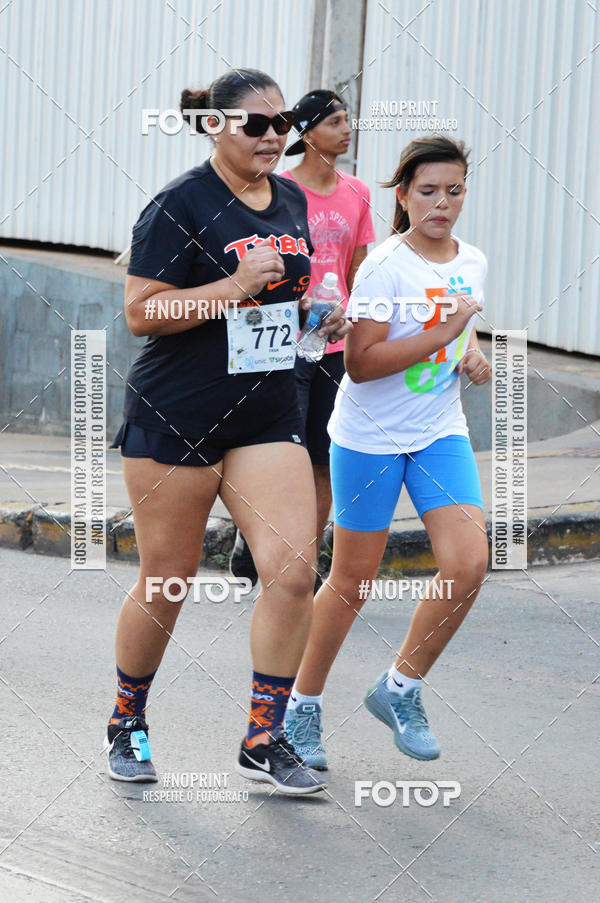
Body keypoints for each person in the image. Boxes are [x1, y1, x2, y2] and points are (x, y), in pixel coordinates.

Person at [105, 68, 350, 795]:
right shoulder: (179, 203)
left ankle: (263, 737)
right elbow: (142, 312)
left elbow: (284, 298)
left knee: (292, 571)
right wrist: (233, 287)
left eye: (283, 124)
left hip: (266, 411)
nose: (274, 136)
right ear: (216, 126)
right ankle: (127, 720)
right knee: (168, 578)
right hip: (178, 411)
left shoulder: (292, 198)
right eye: (256, 124)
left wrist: (316, 317)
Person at [283, 135, 491, 770]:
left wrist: (471, 351)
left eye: (454, 190)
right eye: (427, 191)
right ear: (403, 196)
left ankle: (400, 688)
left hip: (438, 431)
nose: (442, 203)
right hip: (370, 437)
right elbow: (363, 363)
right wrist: (446, 331)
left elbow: (461, 323)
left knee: (469, 563)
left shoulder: (473, 259)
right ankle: (300, 708)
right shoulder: (383, 266)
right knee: (352, 580)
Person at [230, 89, 375, 592]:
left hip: (332, 343)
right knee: (277, 454)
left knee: (323, 456)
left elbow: (358, 272)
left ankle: (303, 564)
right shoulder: (278, 188)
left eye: (348, 120)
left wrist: (352, 319)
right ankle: (254, 537)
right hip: (279, 343)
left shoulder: (358, 192)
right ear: (308, 133)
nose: (347, 129)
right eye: (335, 121)